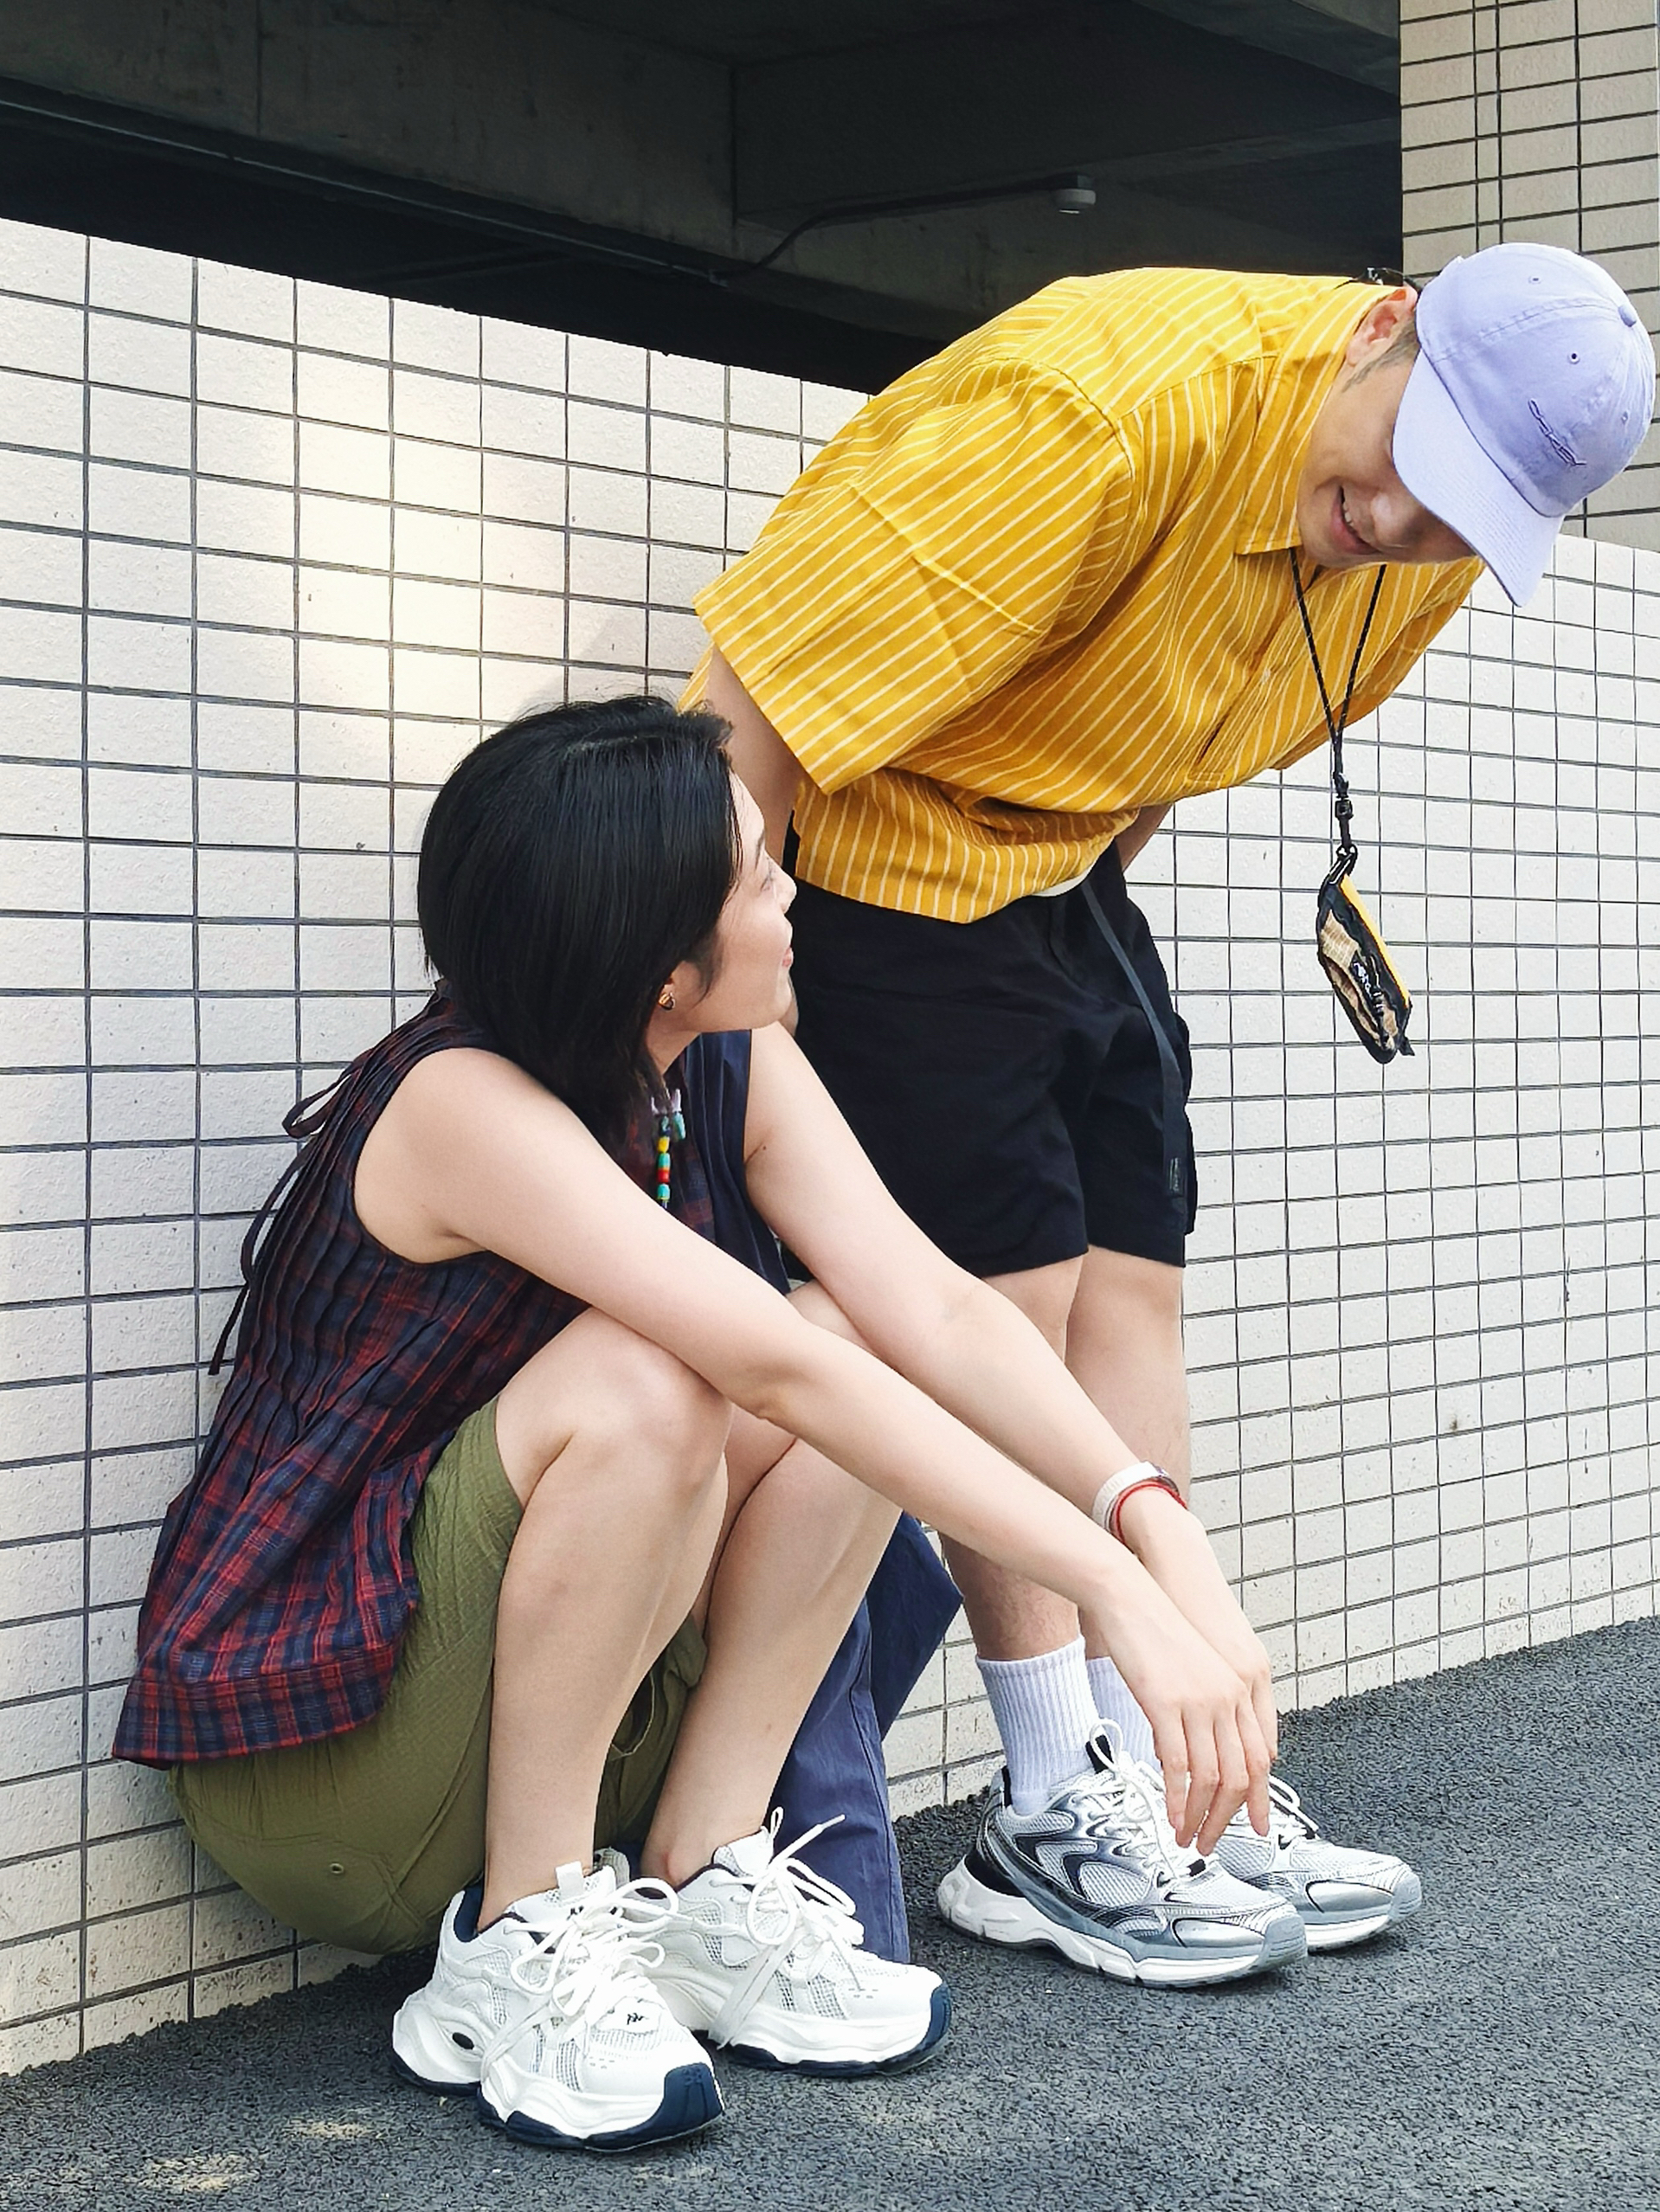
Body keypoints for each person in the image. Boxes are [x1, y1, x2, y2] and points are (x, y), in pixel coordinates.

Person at [117, 697, 1305, 2158]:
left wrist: (1148, 1519)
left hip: (512, 1707)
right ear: (663, 964)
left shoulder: (720, 1062)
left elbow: (937, 1313)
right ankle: (516, 1938)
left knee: (856, 1339)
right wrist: (1115, 1594)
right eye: (756, 876)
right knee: (664, 1374)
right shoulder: (458, 1102)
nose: (792, 890)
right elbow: (765, 1369)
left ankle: (694, 1878)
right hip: (323, 1759)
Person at [690, 242, 1657, 1969]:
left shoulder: (1422, 538)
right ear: (1380, 327)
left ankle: (1172, 1770)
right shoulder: (1091, 410)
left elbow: (1178, 734)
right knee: (1008, 1294)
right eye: (1413, 463)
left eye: (1458, 516)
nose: (1402, 525)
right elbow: (746, 707)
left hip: (1066, 864)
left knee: (1130, 1271)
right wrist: (720, 997)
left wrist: (1081, 919)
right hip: (882, 855)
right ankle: (1052, 1794)